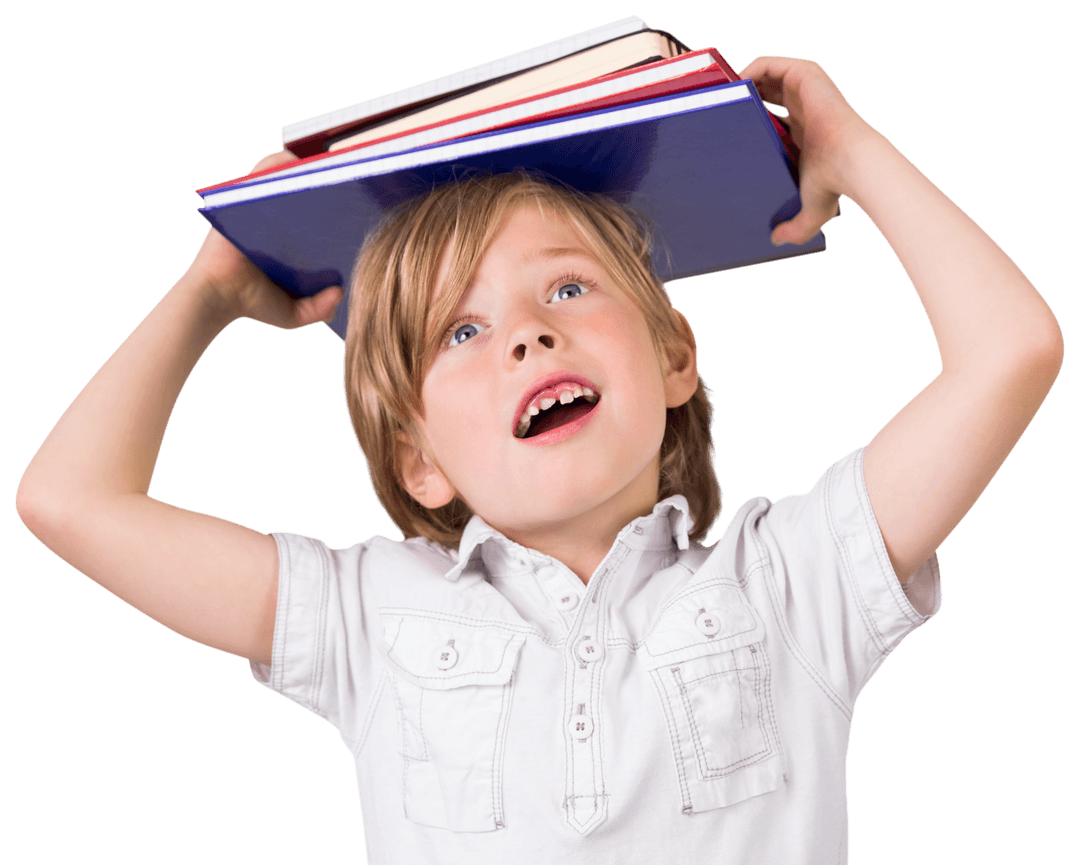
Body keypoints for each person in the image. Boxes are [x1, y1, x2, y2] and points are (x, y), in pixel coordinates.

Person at [15, 56, 1063, 863]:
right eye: (461, 334)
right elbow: (69, 498)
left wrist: (851, 152)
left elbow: (1012, 350)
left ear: (671, 358)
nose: (525, 335)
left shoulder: (789, 584)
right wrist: (208, 293)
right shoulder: (369, 618)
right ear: (418, 459)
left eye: (565, 289)